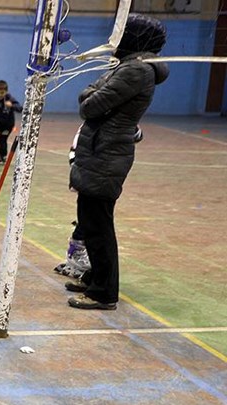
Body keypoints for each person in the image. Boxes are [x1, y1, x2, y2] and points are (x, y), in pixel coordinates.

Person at [67, 13, 168, 310]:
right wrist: (92, 94)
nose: (116, 37)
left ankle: (103, 292)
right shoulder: (127, 66)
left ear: (135, 37)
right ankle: (94, 278)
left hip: (106, 155)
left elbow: (89, 104)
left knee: (98, 225)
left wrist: (91, 95)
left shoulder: (135, 70)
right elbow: (91, 96)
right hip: (101, 152)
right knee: (89, 220)